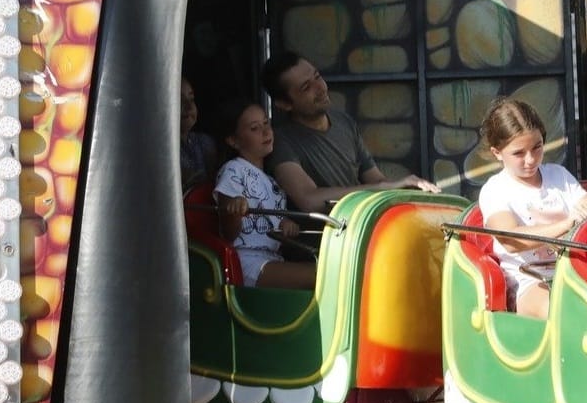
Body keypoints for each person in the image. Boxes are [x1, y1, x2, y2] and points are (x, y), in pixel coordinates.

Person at [477, 97, 587, 319]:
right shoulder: (495, 189)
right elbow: (510, 240)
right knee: (559, 309)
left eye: (537, 147)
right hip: (526, 279)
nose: (531, 159)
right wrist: (567, 224)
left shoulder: (559, 176)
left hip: (574, 268)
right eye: (519, 153)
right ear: (497, 153)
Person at [261, 52, 439, 212]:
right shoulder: (280, 142)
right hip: (325, 236)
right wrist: (383, 188)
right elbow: (309, 200)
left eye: (317, 76)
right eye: (306, 87)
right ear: (284, 104)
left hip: (359, 228)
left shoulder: (343, 122)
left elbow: (376, 180)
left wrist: (406, 187)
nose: (321, 88)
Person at [213, 100, 316, 290]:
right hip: (246, 262)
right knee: (320, 275)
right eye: (254, 128)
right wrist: (234, 211)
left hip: (272, 258)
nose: (266, 131)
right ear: (234, 140)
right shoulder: (233, 170)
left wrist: (285, 225)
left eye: (266, 123)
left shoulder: (271, 181)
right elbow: (228, 232)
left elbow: (270, 223)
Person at [179, 77, 218, 192]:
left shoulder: (204, 142)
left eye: (191, 99)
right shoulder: (157, 148)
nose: (189, 106)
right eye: (179, 99)